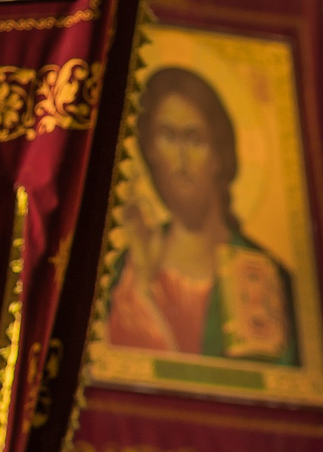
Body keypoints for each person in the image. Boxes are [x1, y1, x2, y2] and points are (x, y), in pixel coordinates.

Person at [104, 64, 297, 365]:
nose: (181, 158)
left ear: (219, 155)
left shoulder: (264, 274)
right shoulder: (125, 270)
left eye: (194, 139)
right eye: (167, 136)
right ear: (150, 150)